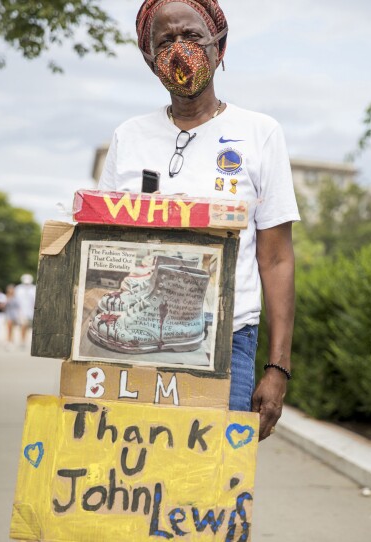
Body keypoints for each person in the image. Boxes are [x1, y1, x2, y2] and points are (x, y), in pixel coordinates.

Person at [98, 0, 299, 440]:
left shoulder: (260, 133)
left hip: (227, 342)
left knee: (209, 491)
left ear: (219, 48)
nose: (179, 49)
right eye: (165, 41)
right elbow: (106, 245)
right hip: (133, 337)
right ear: (151, 60)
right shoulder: (128, 137)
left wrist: (278, 367)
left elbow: (277, 259)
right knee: (134, 485)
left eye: (191, 36)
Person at [14, 274, 37, 347]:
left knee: (26, 327)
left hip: (30, 311)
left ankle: (24, 340)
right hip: (21, 311)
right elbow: (16, 300)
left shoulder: (34, 288)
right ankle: (22, 340)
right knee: (23, 325)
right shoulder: (18, 288)